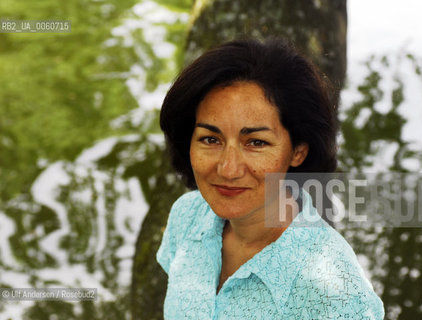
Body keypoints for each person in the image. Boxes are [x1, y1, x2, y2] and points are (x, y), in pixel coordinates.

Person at [157, 38, 384, 319]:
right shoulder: (187, 215)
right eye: (210, 138)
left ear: (298, 151)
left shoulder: (336, 295)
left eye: (256, 143)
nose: (228, 169)